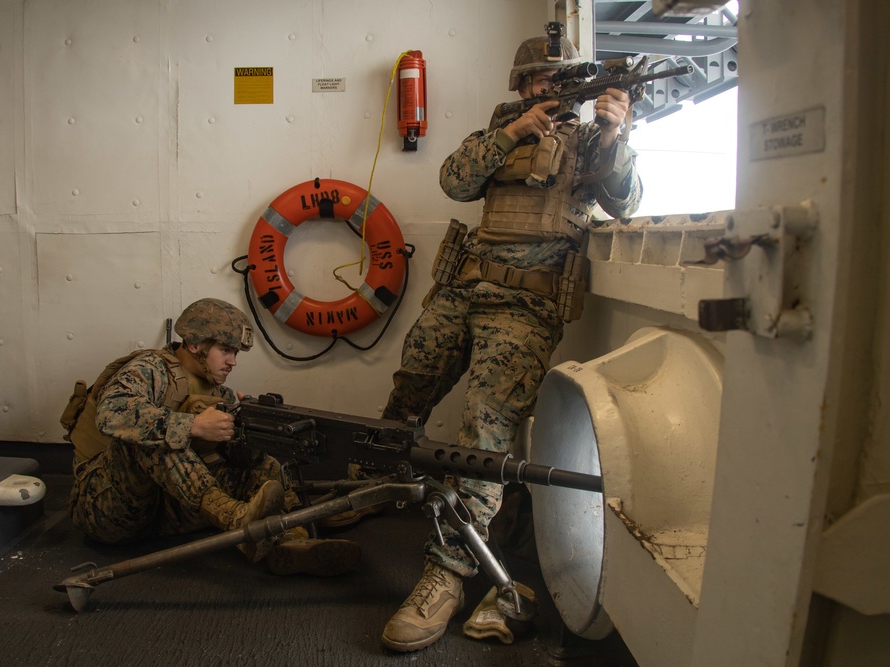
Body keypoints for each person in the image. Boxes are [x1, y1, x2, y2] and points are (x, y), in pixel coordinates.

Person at [379, 33, 643, 652]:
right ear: (521, 85)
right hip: (461, 291)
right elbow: (454, 181)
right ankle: (373, 484)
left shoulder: (592, 141)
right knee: (410, 385)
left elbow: (626, 202)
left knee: (485, 427)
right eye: (537, 80)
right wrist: (512, 133)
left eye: (557, 80)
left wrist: (614, 134)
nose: (547, 89)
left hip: (525, 308)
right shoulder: (499, 133)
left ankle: (449, 573)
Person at [68, 297, 360, 576]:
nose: (233, 362)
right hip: (108, 509)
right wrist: (192, 425)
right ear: (194, 343)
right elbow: (111, 413)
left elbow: (238, 460)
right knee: (156, 439)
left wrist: (250, 432)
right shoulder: (150, 369)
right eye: (226, 350)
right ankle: (234, 519)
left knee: (265, 466)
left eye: (236, 353)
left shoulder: (219, 392)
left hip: (169, 508)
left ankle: (291, 538)